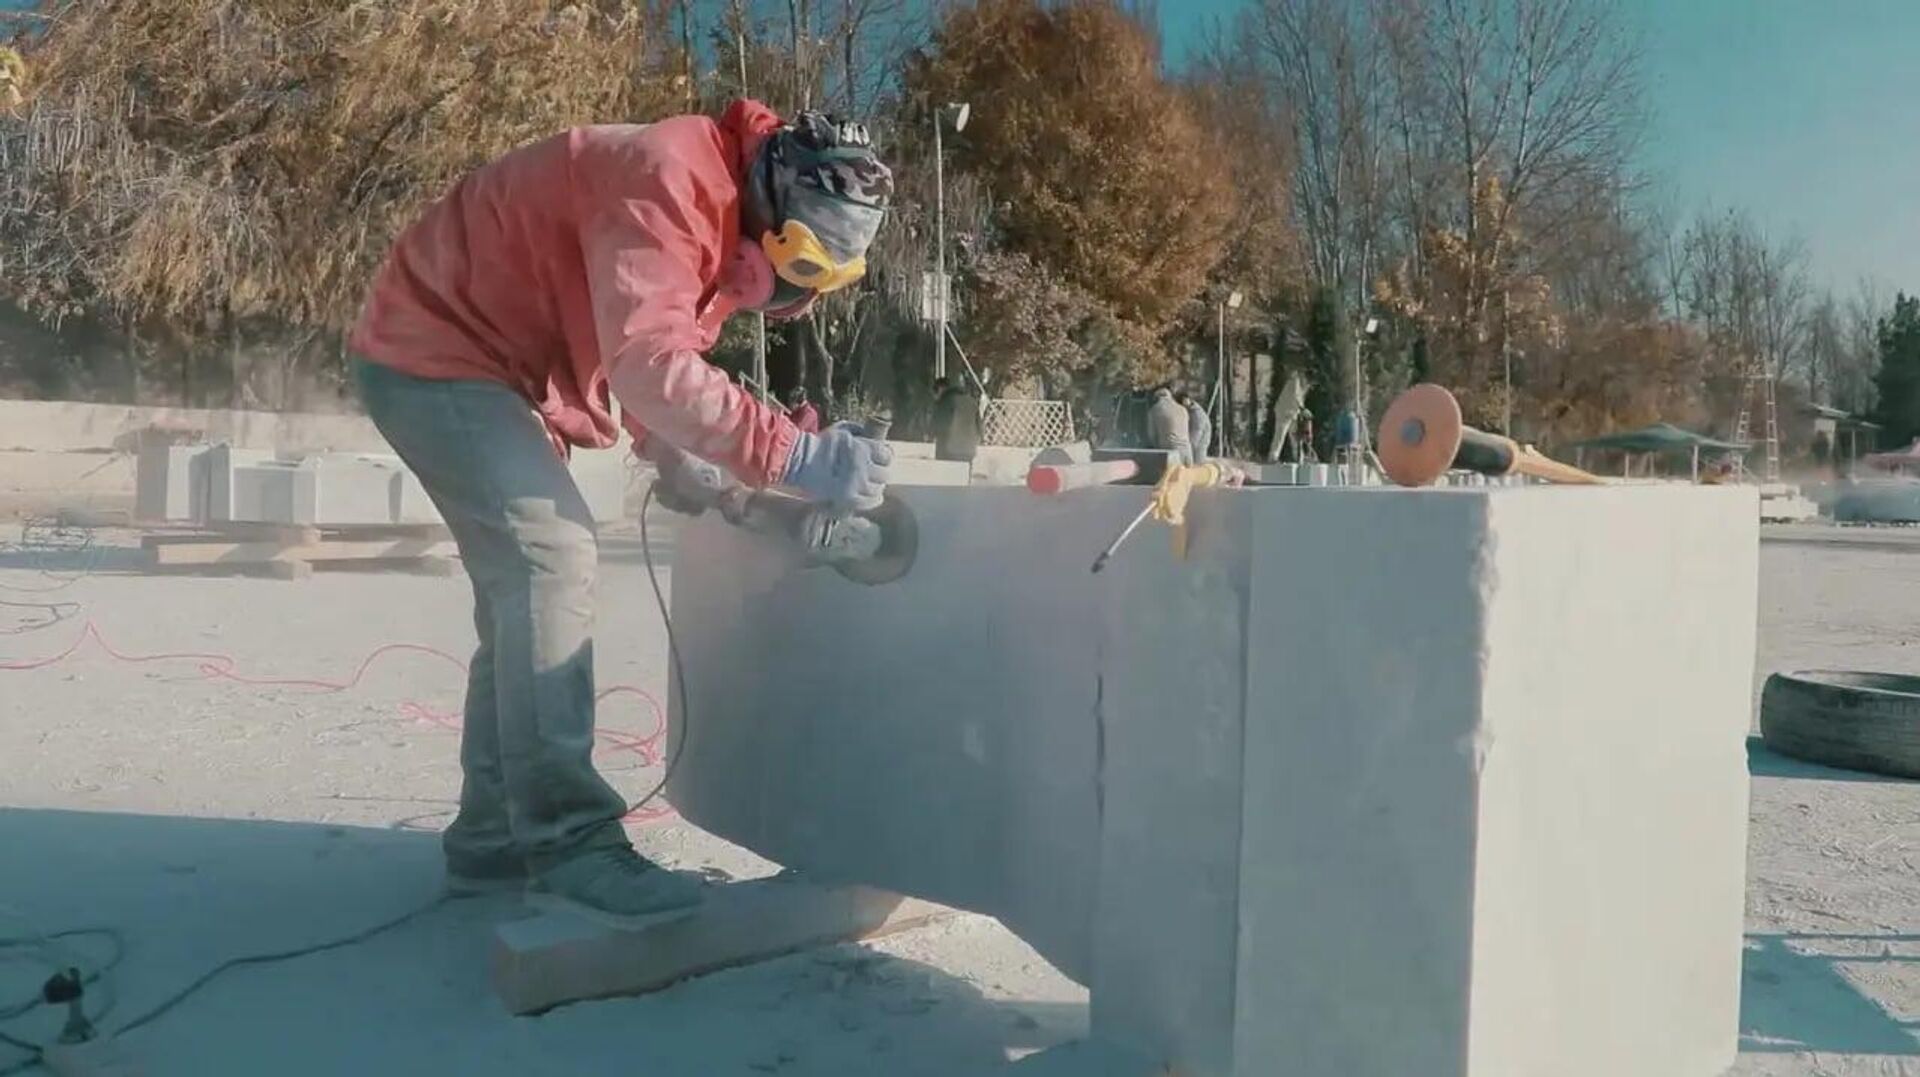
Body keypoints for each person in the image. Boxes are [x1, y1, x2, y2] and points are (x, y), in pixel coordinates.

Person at [347, 100, 894, 927]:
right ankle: (570, 844)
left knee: (523, 594)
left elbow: (636, 343)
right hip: (437, 348)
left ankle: (494, 842)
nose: (798, 294)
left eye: (831, 277)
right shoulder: (674, 179)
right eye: (807, 262)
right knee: (552, 557)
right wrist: (795, 457)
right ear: (773, 199)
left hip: (495, 360)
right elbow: (647, 363)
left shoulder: (720, 203)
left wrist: (686, 456)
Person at [932, 376, 982, 465]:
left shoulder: (946, 401)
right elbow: (979, 426)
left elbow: (939, 425)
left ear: (940, 389)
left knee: (949, 477)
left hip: (949, 449)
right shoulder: (971, 401)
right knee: (964, 476)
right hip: (969, 449)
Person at [1147, 386, 1193, 466]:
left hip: (1170, 451)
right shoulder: (1182, 409)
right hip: (1187, 451)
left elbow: (1152, 435)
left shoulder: (1154, 410)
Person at [1178, 390, 1212, 462]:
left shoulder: (1197, 414)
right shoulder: (1189, 411)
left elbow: (1196, 434)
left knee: (1198, 464)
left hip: (1200, 444)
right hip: (1194, 442)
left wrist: (1188, 448)